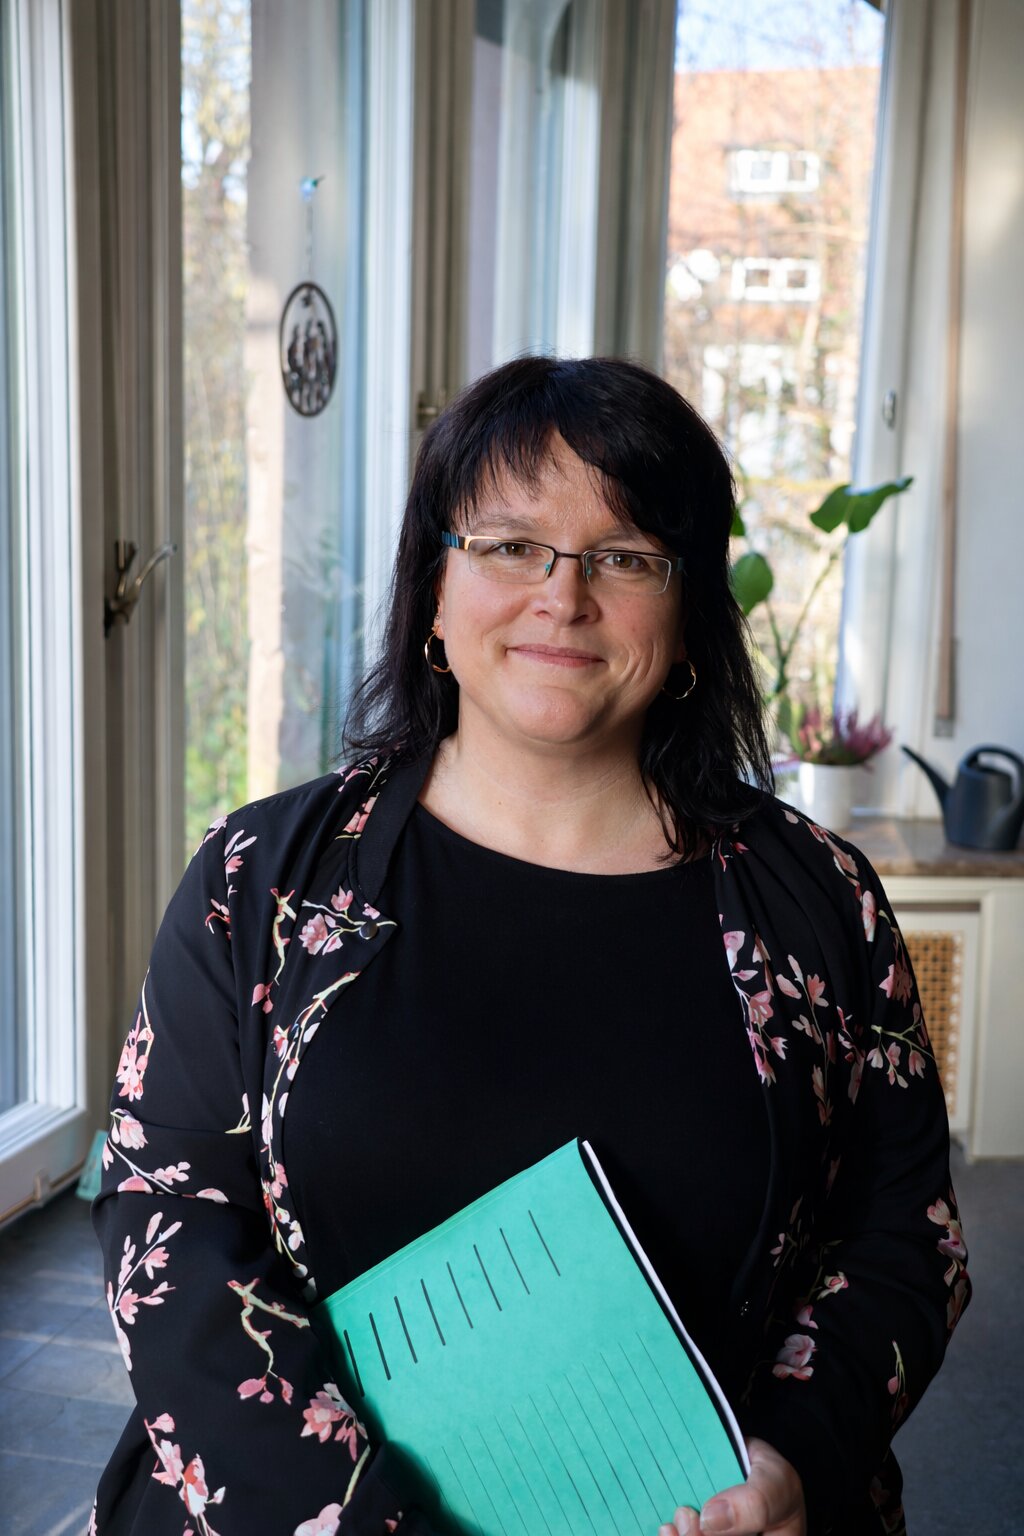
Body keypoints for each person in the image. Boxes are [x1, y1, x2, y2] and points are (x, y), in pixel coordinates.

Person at [91, 356, 969, 1536]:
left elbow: (908, 1235)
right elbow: (169, 1222)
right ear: (433, 591)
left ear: (690, 618)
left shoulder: (819, 901)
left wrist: (795, 1455)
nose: (564, 597)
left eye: (625, 557)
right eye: (510, 546)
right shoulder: (261, 881)